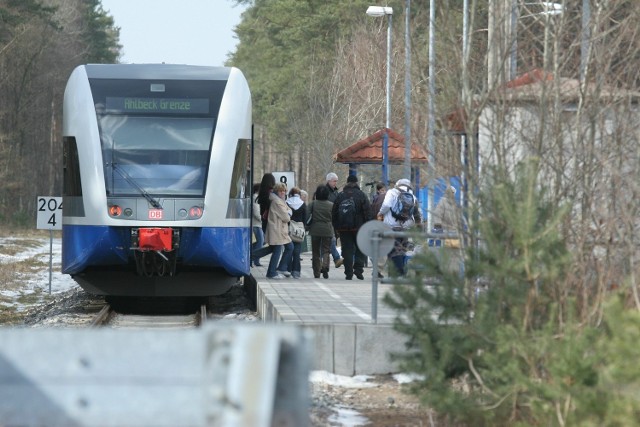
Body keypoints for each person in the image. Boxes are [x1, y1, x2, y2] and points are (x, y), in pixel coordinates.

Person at [378, 178, 422, 276]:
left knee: (393, 250)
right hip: (405, 227)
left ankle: (398, 274)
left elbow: (386, 205)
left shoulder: (391, 192)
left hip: (390, 226)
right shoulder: (413, 197)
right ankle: (397, 273)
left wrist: (380, 213)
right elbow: (417, 214)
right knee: (402, 249)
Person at [331, 175, 371, 280]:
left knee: (347, 250)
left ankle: (348, 272)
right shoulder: (361, 195)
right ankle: (358, 270)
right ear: (356, 182)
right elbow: (367, 212)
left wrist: (337, 227)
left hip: (344, 228)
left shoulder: (340, 195)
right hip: (359, 228)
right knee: (360, 248)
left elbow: (334, 213)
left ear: (347, 182)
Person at [253, 182, 294, 279]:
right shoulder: (277, 202)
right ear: (276, 191)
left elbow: (289, 211)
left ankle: (250, 257)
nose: (283, 193)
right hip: (277, 230)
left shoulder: (279, 200)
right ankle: (273, 271)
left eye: (284, 191)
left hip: (279, 230)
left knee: (274, 249)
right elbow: (286, 217)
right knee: (285, 248)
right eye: (281, 191)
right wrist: (288, 213)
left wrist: (288, 212)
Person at [307, 185, 334, 279]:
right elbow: (334, 217)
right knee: (326, 250)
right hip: (327, 229)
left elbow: (307, 216)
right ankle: (325, 266)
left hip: (315, 229)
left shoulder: (313, 204)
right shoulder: (331, 205)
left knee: (316, 252)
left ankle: (317, 273)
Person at [285, 187, 306, 278]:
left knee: (289, 249)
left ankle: (288, 269)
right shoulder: (303, 204)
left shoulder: (286, 203)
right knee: (297, 251)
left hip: (288, 229)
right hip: (299, 230)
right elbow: (305, 218)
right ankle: (296, 271)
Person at [325, 172, 344, 268]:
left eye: (336, 181)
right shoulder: (324, 191)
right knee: (330, 240)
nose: (335, 183)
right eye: (334, 181)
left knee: (329, 242)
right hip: (327, 220)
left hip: (334, 220)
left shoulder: (335, 192)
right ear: (328, 181)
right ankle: (336, 258)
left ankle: (324, 263)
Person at [369, 182, 387, 277]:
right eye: (382, 190)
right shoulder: (381, 199)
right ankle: (378, 268)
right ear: (378, 190)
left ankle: (377, 267)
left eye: (384, 190)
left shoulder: (374, 199)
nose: (384, 192)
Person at [251, 183, 264, 267]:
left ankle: (252, 256)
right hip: (256, 223)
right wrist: (262, 219)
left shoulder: (255, 197)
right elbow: (256, 212)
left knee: (260, 241)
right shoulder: (255, 198)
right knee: (260, 241)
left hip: (257, 223)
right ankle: (255, 259)